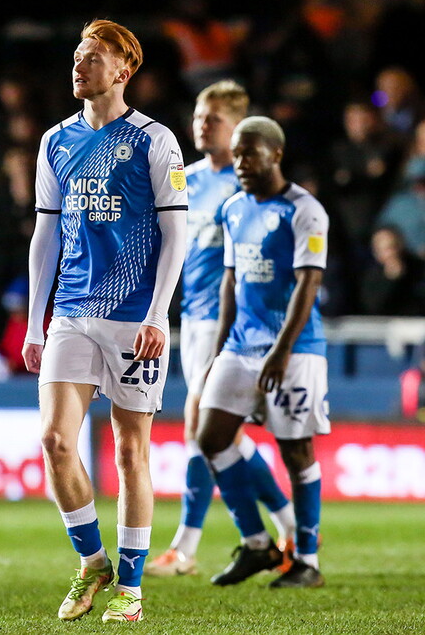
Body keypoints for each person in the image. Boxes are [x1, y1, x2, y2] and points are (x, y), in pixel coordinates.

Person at [23, 19, 187, 623]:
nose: (79, 64)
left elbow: (176, 235)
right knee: (55, 440)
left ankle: (132, 590)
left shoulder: (155, 141)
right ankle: (92, 562)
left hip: (132, 317)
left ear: (123, 70)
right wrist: (36, 323)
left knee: (128, 450)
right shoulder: (54, 142)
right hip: (72, 310)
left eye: (93, 57)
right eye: (76, 55)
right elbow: (46, 234)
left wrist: (157, 314)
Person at [147, 82, 296, 577]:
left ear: (236, 127)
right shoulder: (183, 179)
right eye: (198, 115)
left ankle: (185, 549)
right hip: (190, 317)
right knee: (221, 436)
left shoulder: (247, 182)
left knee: (199, 425)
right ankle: (288, 527)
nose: (201, 124)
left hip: (230, 321)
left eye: (212, 118)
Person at [197, 116, 329, 589]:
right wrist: (218, 350)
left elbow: (307, 283)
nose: (241, 163)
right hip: (239, 345)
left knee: (296, 451)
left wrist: (282, 350)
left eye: (250, 153)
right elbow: (231, 280)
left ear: (276, 154)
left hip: (294, 350)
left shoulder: (305, 210)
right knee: (209, 436)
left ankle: (308, 560)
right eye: (236, 155)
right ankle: (257, 544)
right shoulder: (233, 208)